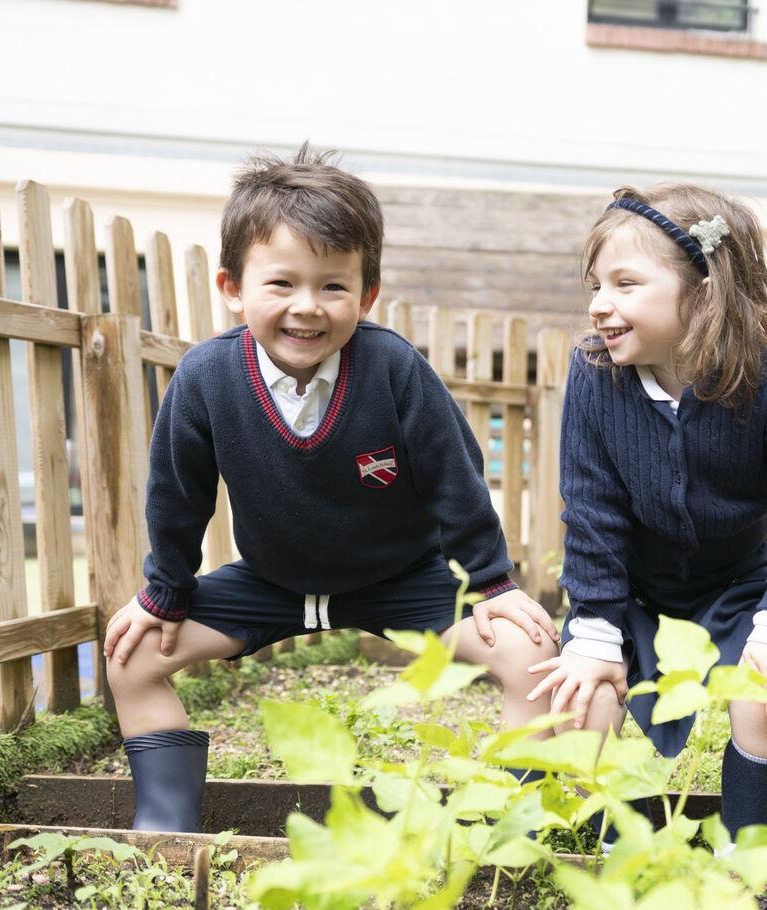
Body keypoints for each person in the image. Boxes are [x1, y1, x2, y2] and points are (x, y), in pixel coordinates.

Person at [103, 145, 558, 833]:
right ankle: (166, 826)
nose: (306, 308)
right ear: (233, 287)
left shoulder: (393, 370)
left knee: (530, 656)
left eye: (333, 286)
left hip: (399, 579)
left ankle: (519, 825)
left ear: (367, 294)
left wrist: (495, 585)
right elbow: (177, 495)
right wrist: (164, 591)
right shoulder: (206, 379)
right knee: (131, 656)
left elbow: (456, 480)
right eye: (281, 284)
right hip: (270, 581)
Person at [527, 185, 767, 844]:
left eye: (625, 283)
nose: (600, 304)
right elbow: (590, 508)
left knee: (766, 693)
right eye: (596, 285)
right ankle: (611, 841)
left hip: (738, 588)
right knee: (585, 697)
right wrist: (593, 627)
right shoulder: (597, 376)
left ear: (705, 292)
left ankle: (745, 847)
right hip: (632, 594)